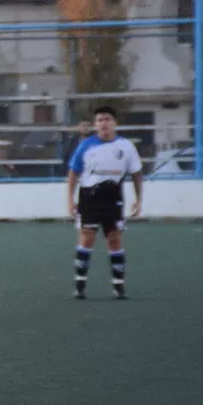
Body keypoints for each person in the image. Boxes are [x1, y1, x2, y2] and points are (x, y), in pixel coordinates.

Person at [67, 106, 143, 300]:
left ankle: (118, 286)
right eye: (100, 120)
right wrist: (70, 199)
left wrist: (138, 199)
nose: (104, 123)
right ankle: (80, 285)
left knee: (114, 239)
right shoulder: (86, 145)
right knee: (87, 236)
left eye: (107, 119)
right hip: (89, 197)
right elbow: (74, 172)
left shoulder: (126, 146)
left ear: (115, 123)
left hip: (113, 197)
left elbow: (136, 173)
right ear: (95, 125)